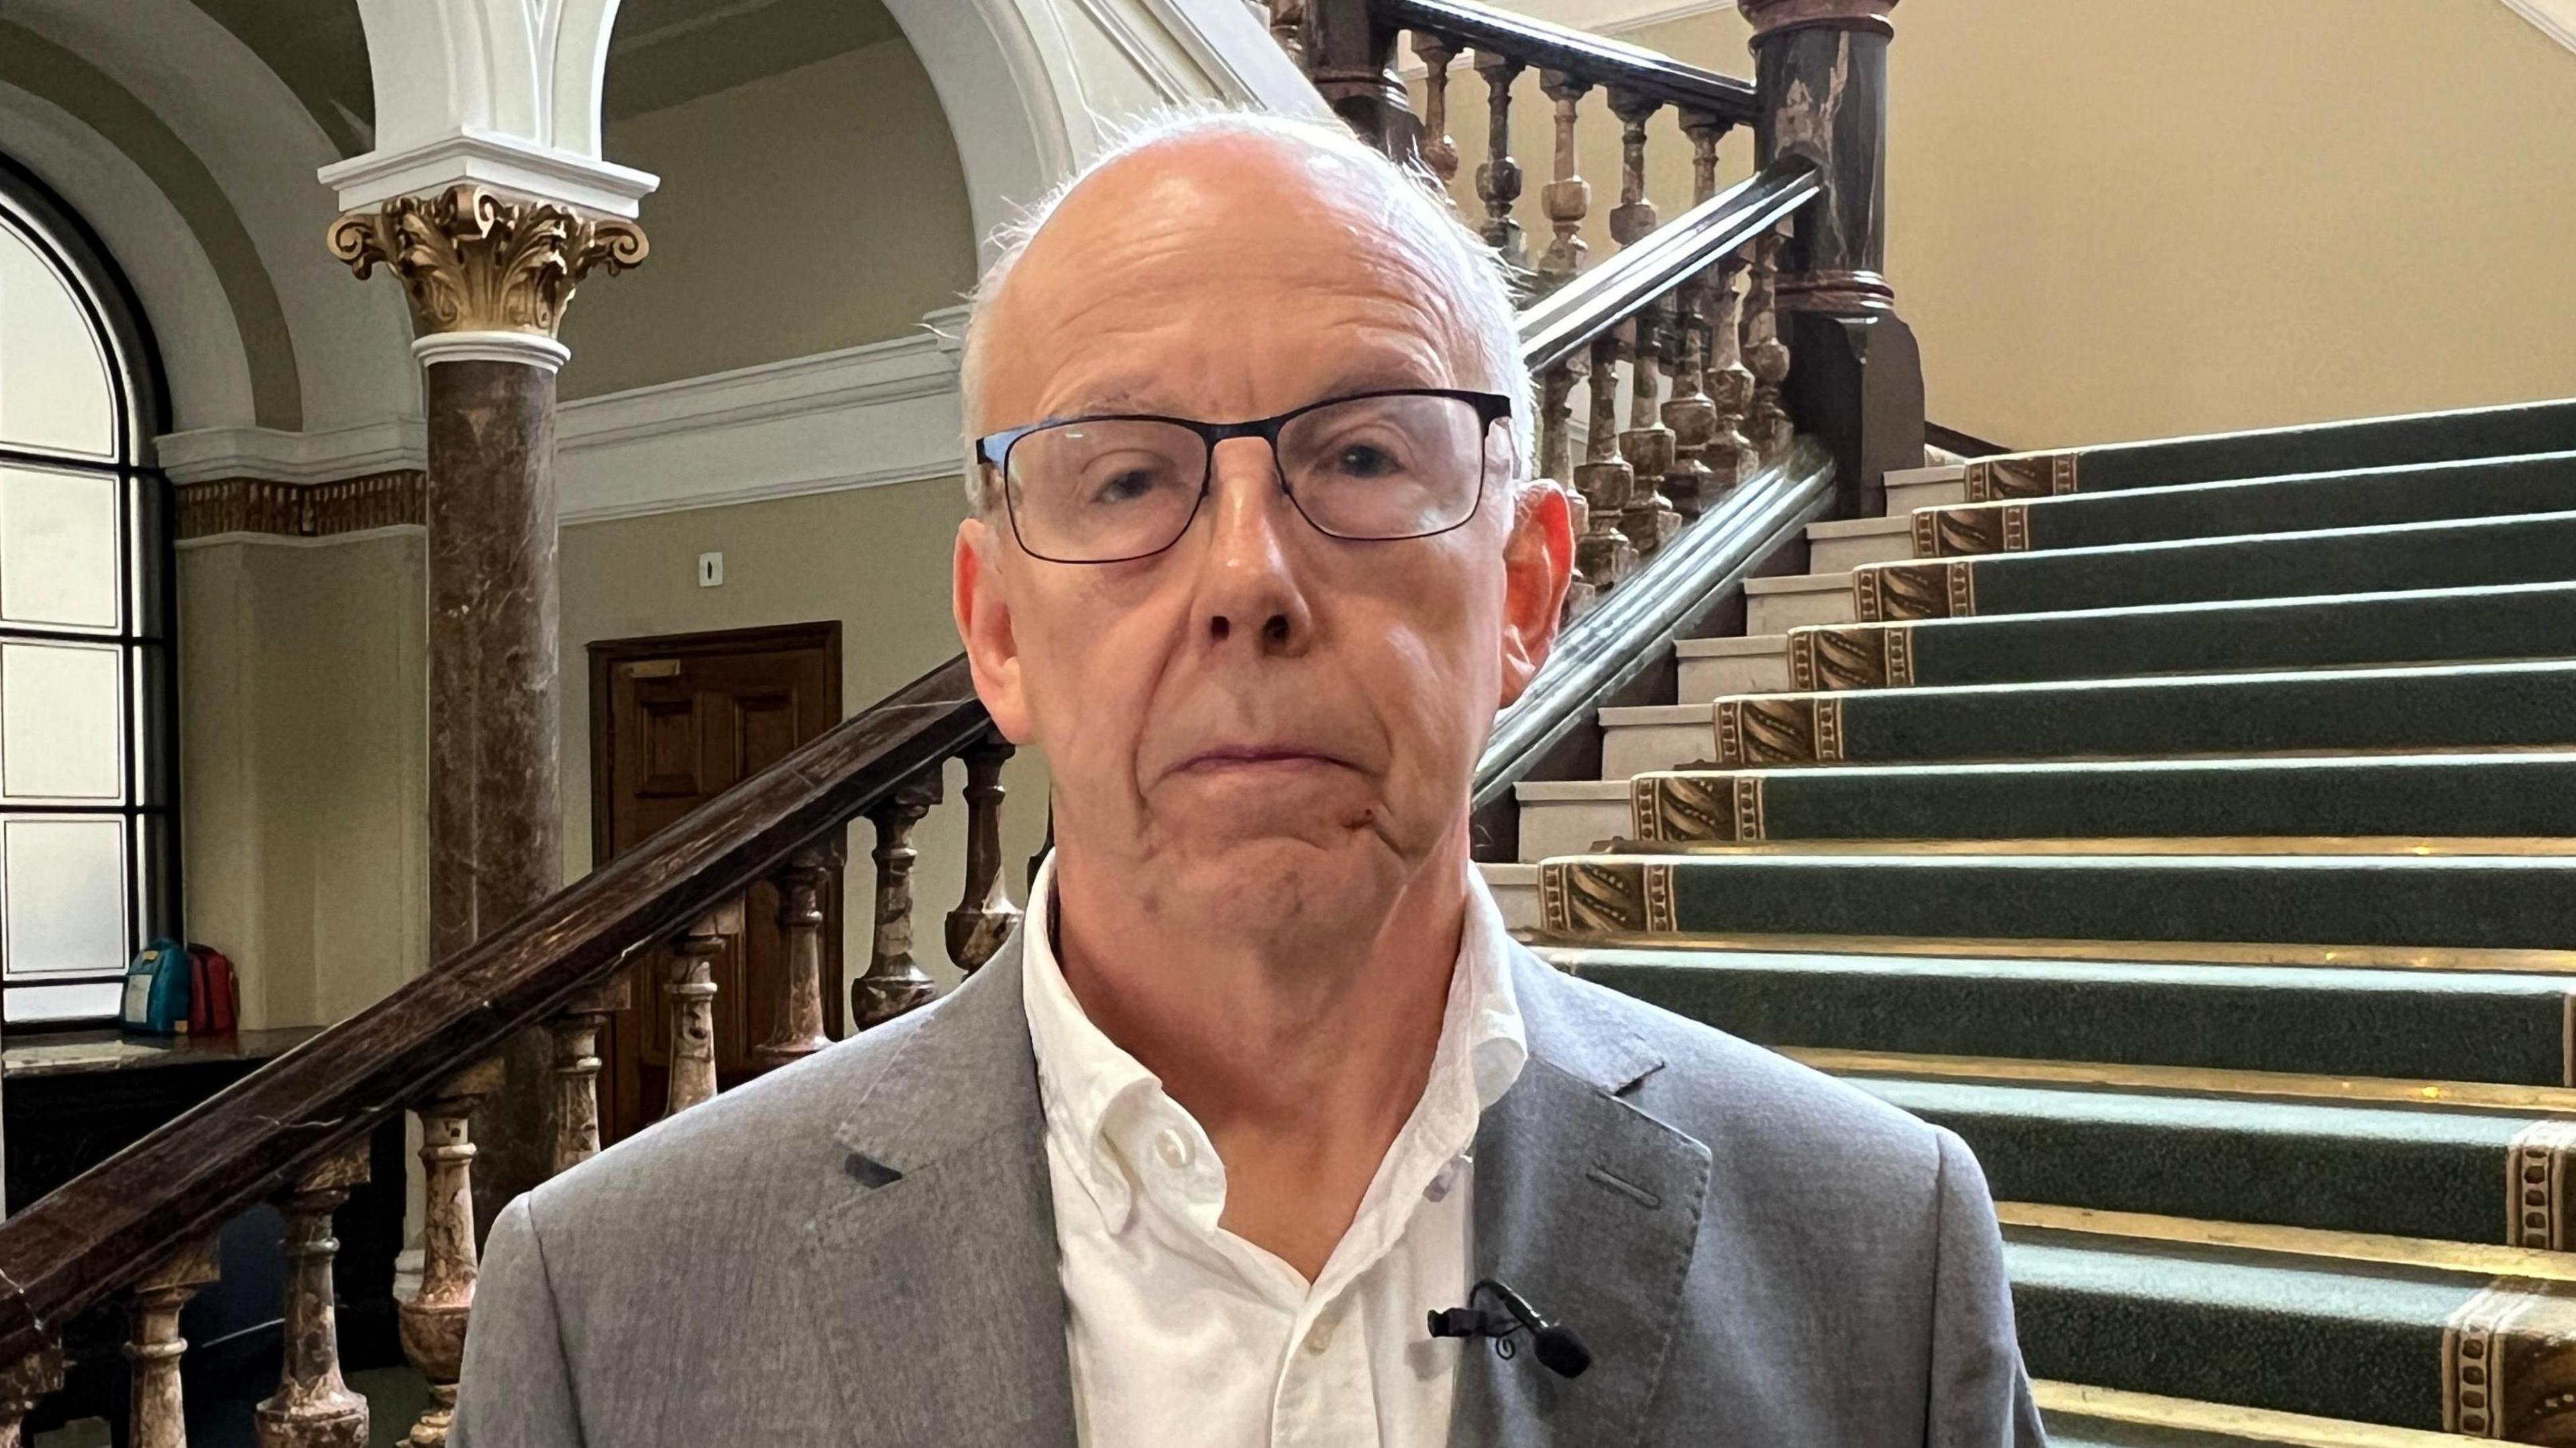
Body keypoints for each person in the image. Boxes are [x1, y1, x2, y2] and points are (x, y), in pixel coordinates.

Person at [452, 109, 2043, 1447]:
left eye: (1360, 455)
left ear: (1527, 594)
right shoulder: (611, 1309)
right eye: (1128, 475)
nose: (1246, 578)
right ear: (997, 629)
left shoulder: (1877, 1258)